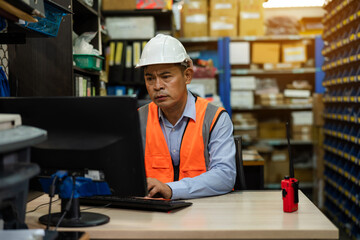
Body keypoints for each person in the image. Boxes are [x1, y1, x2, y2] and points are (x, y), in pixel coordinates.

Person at [136, 34, 236, 200]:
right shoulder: (138, 119)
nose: (157, 86)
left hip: (204, 212)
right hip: (152, 213)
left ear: (187, 76)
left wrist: (170, 189)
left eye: (166, 76)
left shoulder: (214, 118)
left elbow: (225, 176)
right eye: (150, 78)